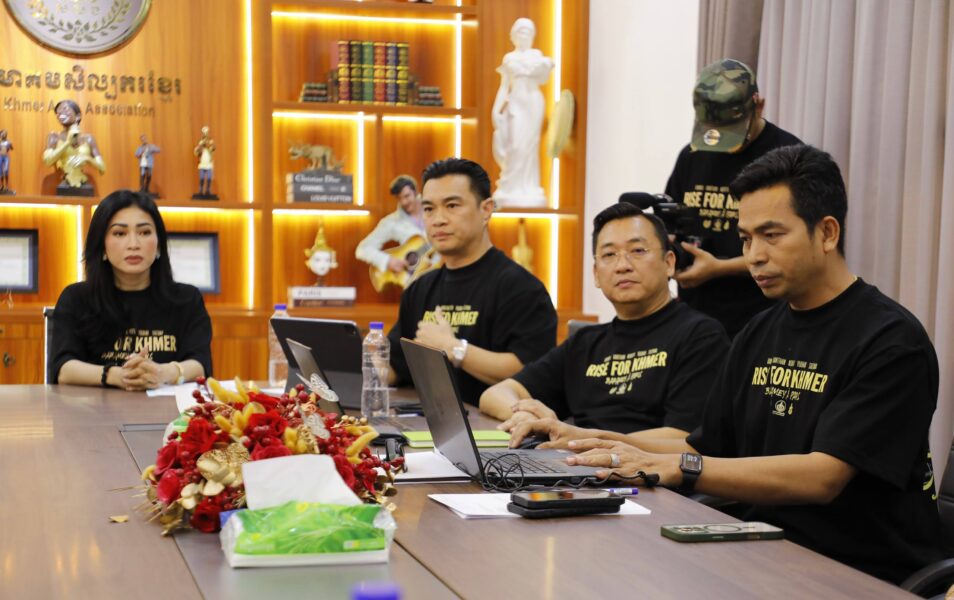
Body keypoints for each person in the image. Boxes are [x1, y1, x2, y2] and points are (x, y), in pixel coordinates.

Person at [514, 145, 944, 583]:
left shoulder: (889, 339)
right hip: (761, 553)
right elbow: (705, 447)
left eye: (771, 235)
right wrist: (594, 440)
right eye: (746, 238)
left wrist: (683, 468)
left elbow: (822, 477)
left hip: (860, 573)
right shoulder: (760, 331)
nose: (754, 255)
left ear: (827, 233)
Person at [480, 201, 729, 439]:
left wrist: (581, 438)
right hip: (576, 464)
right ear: (596, 274)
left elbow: (682, 437)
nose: (622, 265)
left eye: (637, 251)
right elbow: (496, 393)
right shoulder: (585, 344)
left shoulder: (701, 336)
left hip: (646, 468)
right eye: (609, 254)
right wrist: (523, 415)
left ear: (669, 263)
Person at [387, 157, 557, 406]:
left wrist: (454, 348)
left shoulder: (521, 288)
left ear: (486, 209)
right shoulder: (419, 289)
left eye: (452, 206)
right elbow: (395, 366)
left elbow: (529, 369)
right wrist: (364, 362)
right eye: (429, 209)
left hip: (497, 426)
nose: (438, 219)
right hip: (426, 421)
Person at [665, 58, 801, 336]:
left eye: (731, 132)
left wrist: (720, 268)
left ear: (758, 106)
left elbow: (793, 250)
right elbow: (670, 223)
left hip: (762, 321)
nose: (721, 143)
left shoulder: (789, 157)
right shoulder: (692, 155)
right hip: (696, 321)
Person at [51, 190, 212, 390]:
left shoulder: (187, 299)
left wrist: (161, 373)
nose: (134, 244)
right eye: (120, 233)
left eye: (144, 232)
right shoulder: (76, 298)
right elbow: (63, 369)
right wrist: (117, 375)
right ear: (102, 246)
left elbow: (200, 364)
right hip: (94, 408)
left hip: (167, 407)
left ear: (159, 244)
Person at [491, 17, 553, 207]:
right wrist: (496, 110)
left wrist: (543, 66)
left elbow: (544, 77)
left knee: (530, 146)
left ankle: (529, 187)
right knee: (516, 145)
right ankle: (510, 185)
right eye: (520, 32)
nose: (524, 35)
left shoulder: (537, 56)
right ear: (513, 36)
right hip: (516, 103)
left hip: (533, 103)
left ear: (532, 35)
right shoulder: (509, 58)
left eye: (527, 32)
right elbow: (504, 86)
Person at [355, 174, 427, 275]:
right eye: (399, 198)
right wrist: (387, 261)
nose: (404, 202)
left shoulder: (436, 209)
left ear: (415, 191)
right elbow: (363, 249)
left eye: (407, 196)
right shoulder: (391, 222)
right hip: (414, 278)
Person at [42, 99, 106, 190]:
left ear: (78, 116)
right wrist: (67, 143)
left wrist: (87, 159)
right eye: (58, 112)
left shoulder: (88, 138)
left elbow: (102, 168)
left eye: (65, 109)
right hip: (65, 182)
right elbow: (48, 161)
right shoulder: (54, 137)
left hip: (83, 183)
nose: (61, 113)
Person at [193, 125, 215, 197]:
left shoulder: (210, 142)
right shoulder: (201, 143)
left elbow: (213, 149)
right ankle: (200, 191)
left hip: (209, 164)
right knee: (201, 179)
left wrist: (208, 145)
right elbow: (196, 152)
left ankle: (208, 191)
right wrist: (201, 145)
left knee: (209, 178)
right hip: (202, 164)